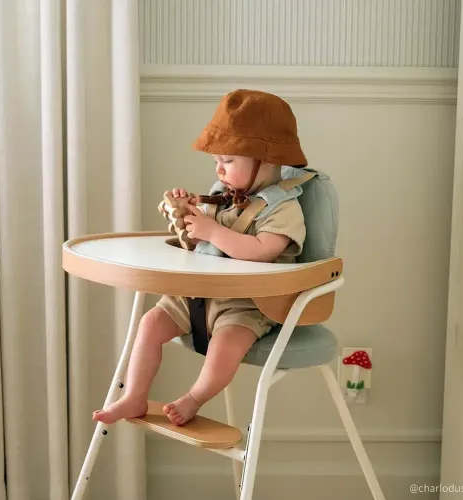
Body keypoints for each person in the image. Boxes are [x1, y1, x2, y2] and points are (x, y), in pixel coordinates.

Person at [93, 89, 308, 426]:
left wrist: (213, 232)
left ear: (266, 160)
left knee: (226, 347)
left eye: (228, 161)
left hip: (248, 304)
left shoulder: (283, 208)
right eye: (216, 162)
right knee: (150, 323)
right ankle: (134, 395)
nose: (219, 170)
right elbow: (196, 241)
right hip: (199, 295)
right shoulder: (222, 196)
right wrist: (185, 213)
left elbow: (263, 250)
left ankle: (194, 398)